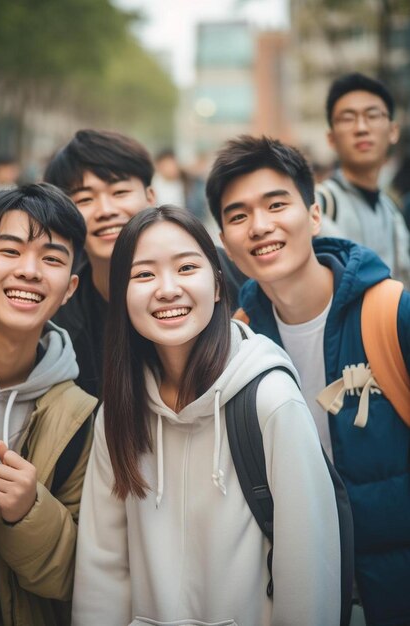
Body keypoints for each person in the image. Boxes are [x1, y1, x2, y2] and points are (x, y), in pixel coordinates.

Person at [72, 205, 341, 626]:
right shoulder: (119, 412)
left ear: (217, 286)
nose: (166, 289)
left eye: (186, 268)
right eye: (143, 275)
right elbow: (102, 567)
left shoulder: (269, 399)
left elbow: (308, 573)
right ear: (122, 296)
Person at [206, 135, 410, 626]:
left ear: (314, 216)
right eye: (238, 216)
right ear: (226, 244)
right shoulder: (236, 344)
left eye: (276, 204)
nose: (260, 226)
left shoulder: (392, 313)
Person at [0, 183, 97, 626]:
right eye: (10, 251)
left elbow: (77, 577)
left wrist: (30, 511)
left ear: (69, 288)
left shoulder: (79, 415)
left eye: (51, 259)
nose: (30, 271)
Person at [43, 129, 156, 397]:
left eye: (119, 192)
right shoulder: (56, 321)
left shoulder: (217, 275)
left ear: (150, 197)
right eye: (84, 199)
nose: (105, 210)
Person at [316, 72, 410, 288]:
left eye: (373, 115)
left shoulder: (392, 210)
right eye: (348, 118)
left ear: (393, 131)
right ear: (331, 138)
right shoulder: (319, 205)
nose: (361, 128)